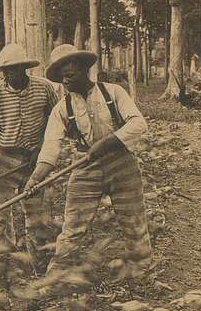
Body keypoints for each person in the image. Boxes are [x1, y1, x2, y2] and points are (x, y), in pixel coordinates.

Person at [24, 44, 152, 277]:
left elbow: (138, 124)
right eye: (63, 78)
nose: (67, 82)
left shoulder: (113, 92)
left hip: (121, 162)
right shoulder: (62, 108)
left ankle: (141, 270)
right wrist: (35, 178)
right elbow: (50, 147)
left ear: (85, 70)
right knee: (73, 226)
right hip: (85, 165)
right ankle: (56, 275)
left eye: (71, 75)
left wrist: (107, 142)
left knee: (133, 220)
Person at [0, 44, 60, 263]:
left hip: (34, 159)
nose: (11, 74)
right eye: (7, 70)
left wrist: (42, 149)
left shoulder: (45, 88)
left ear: (25, 68)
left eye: (16, 68)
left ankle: (41, 258)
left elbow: (56, 122)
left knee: (36, 213)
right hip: (4, 157)